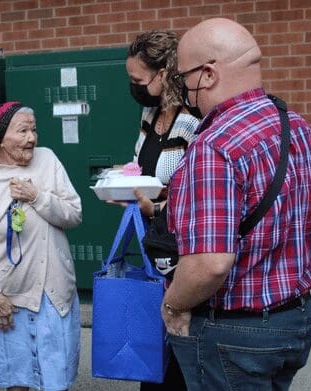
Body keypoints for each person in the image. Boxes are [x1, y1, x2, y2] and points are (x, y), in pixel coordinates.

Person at [161, 18, 311, 390]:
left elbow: (209, 264)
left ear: (207, 74)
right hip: (298, 318)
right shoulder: (296, 125)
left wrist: (173, 304)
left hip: (235, 333)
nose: (182, 90)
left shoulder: (213, 147)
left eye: (181, 79)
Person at [0, 102, 82, 391]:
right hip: (8, 299)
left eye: (34, 130)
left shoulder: (48, 160)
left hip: (53, 292)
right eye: (23, 130)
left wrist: (37, 196)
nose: (32, 138)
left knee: (56, 380)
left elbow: (74, 213)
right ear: (1, 138)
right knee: (17, 380)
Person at [124, 30, 200, 391]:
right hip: (155, 246)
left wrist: (153, 206)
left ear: (164, 72)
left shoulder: (194, 117)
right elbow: (142, 167)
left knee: (183, 345)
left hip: (183, 248)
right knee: (155, 350)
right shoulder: (150, 111)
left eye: (138, 79)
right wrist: (124, 187)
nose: (134, 86)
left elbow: (198, 194)